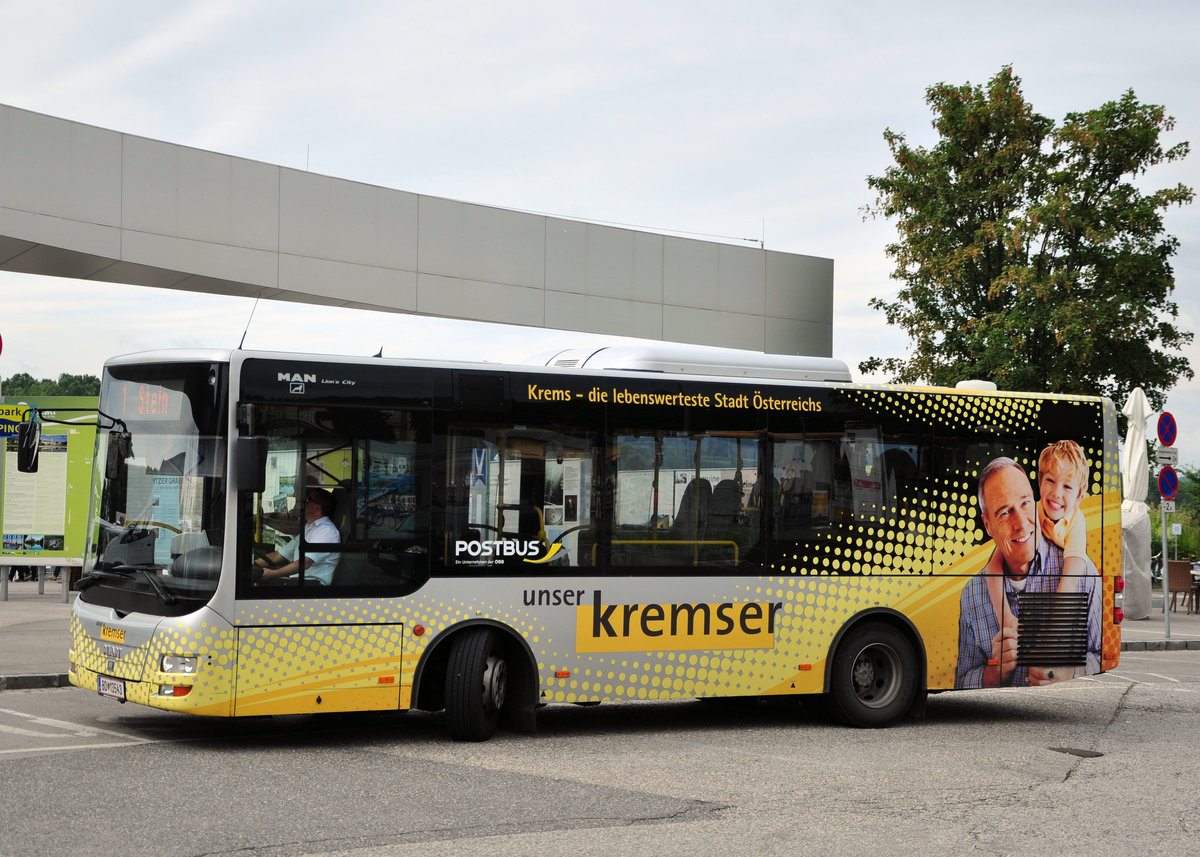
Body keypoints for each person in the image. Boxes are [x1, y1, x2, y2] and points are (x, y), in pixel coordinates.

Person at [955, 456, 1101, 689]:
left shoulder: (1082, 574)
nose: (1022, 523)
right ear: (987, 525)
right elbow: (962, 679)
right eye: (1004, 512)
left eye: (1025, 503)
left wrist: (1071, 671)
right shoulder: (972, 594)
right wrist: (994, 672)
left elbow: (1101, 654)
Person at [1036, 440, 1092, 593]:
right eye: (1050, 481)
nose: (1056, 493)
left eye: (1067, 486)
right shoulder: (1032, 511)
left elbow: (1074, 565)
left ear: (1079, 497)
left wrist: (1059, 605)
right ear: (1040, 481)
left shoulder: (1076, 520)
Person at [254, 487, 340, 584]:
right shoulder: (309, 528)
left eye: (308, 499)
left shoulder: (326, 531)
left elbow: (305, 562)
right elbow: (280, 555)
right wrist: (254, 565)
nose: (303, 502)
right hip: (299, 582)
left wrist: (273, 574)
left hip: (312, 585)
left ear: (317, 508)